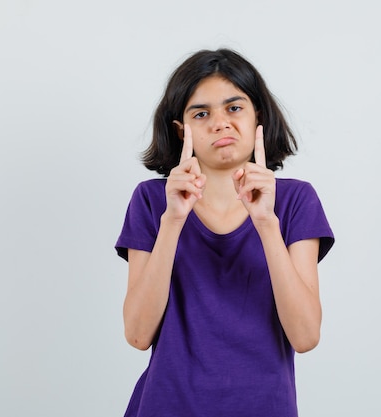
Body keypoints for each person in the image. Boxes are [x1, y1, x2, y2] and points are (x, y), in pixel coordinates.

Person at [115, 48, 335, 417]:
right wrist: (172, 221)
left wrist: (266, 223)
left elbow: (306, 335)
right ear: (181, 129)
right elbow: (137, 335)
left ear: (257, 117)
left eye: (234, 108)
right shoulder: (152, 202)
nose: (220, 123)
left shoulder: (296, 200)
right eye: (201, 113)